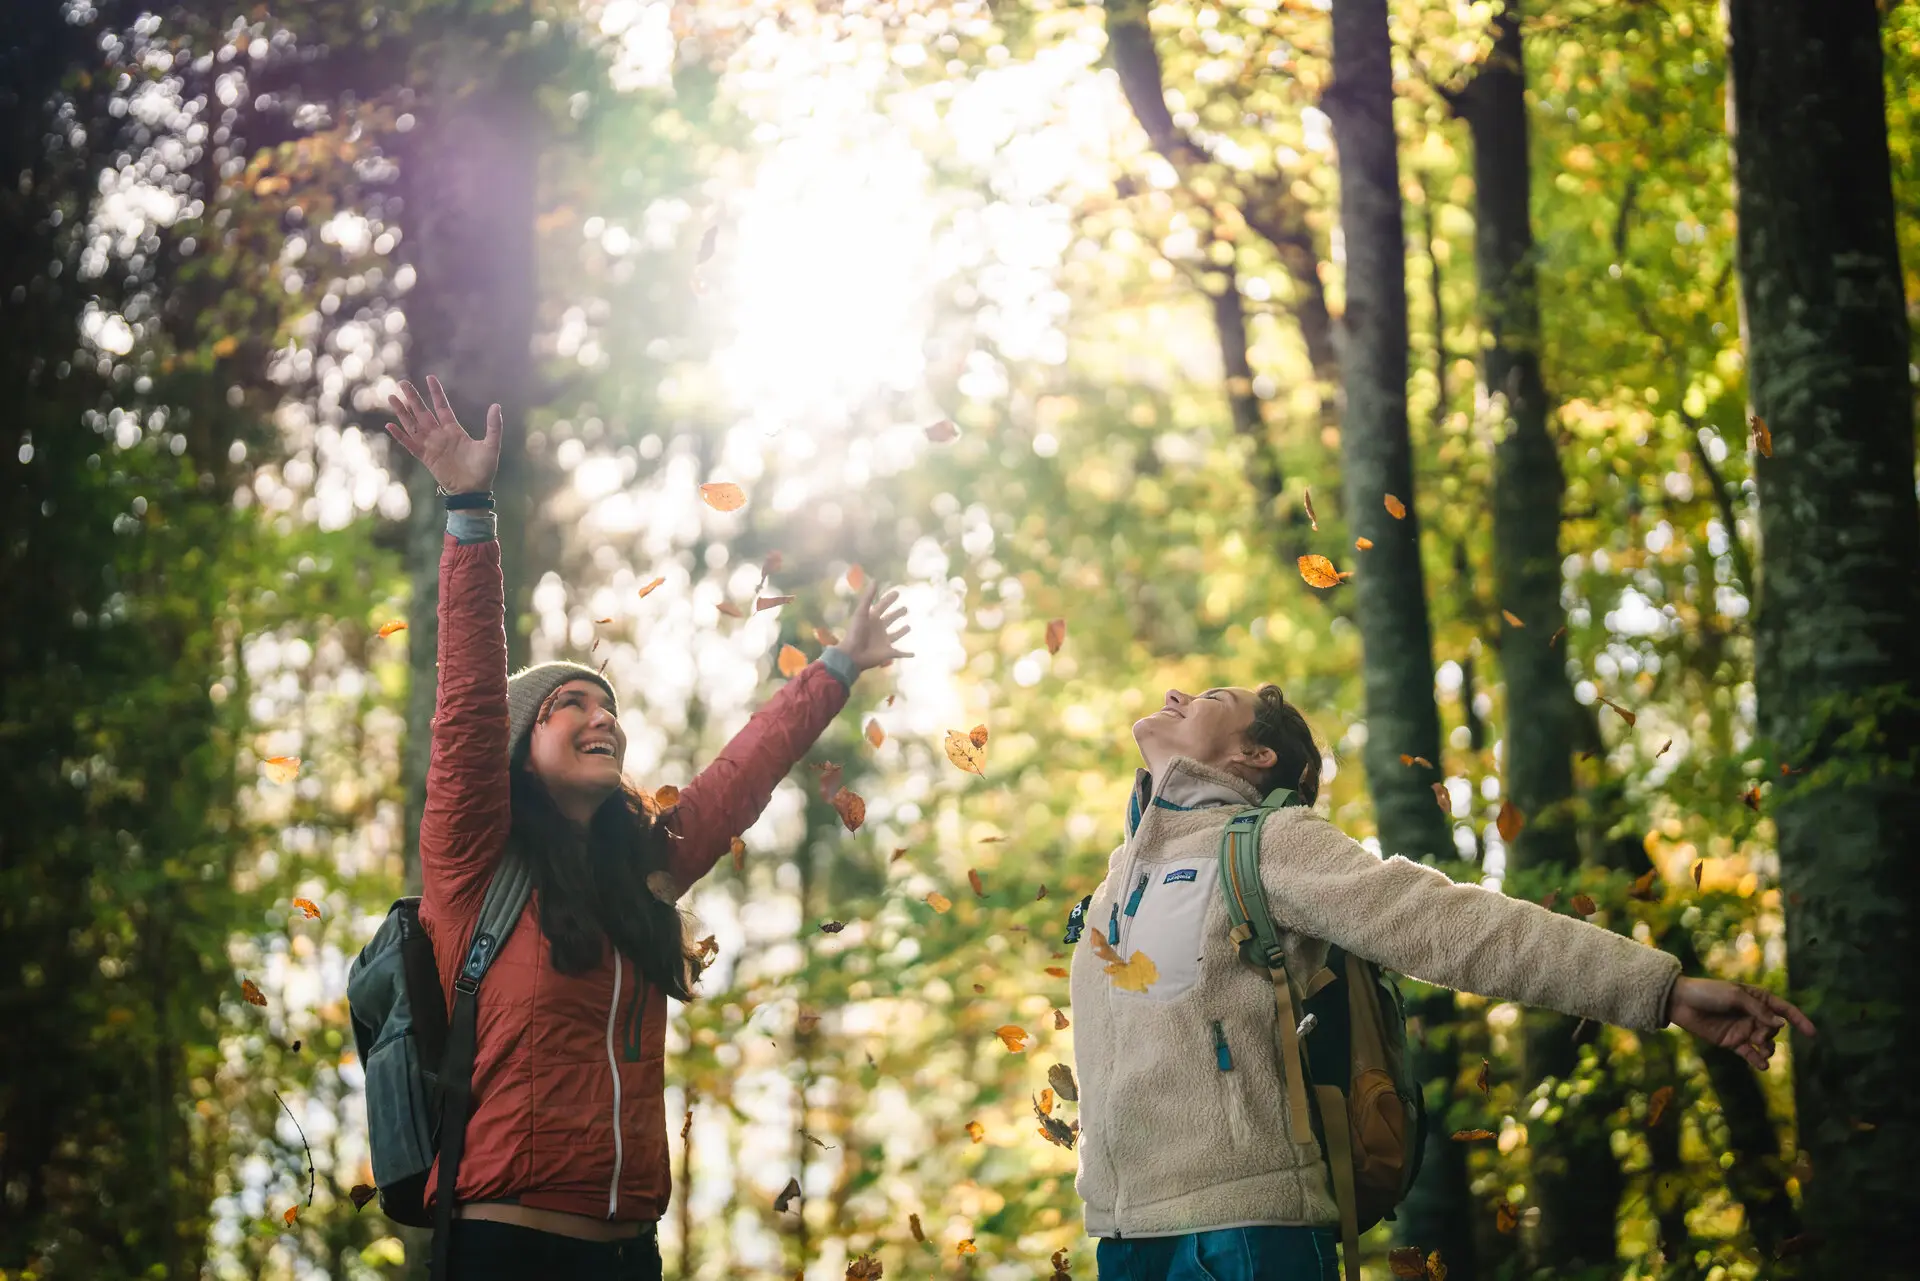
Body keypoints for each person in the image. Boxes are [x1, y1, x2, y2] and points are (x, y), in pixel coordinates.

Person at [382, 377, 912, 1280]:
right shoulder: (473, 863)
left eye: (610, 709)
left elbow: (743, 773)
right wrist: (470, 510)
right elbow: (467, 702)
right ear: (519, 747)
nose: (603, 718)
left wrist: (836, 666)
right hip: (504, 1250)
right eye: (570, 705)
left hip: (631, 1256)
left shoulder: (642, 870)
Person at [1068, 685, 1815, 1281]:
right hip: (1123, 1241)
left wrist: (1662, 989)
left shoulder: (1268, 844)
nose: (1176, 693)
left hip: (1242, 1239)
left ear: (1254, 754)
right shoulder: (1114, 886)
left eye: (1210, 699)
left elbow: (1457, 926)